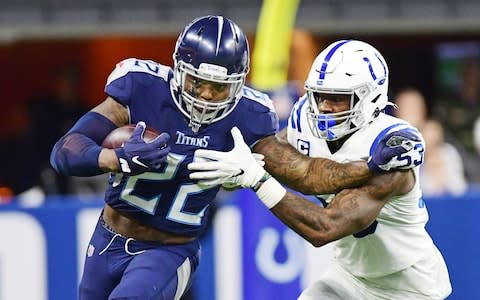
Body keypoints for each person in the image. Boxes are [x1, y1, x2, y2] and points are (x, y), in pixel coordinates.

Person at [50, 17, 417, 299]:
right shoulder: (141, 88)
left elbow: (306, 174)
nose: (207, 96)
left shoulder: (248, 116)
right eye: (197, 83)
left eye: (220, 87)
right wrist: (116, 160)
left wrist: (368, 165)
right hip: (108, 238)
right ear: (179, 71)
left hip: (169, 250)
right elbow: (65, 151)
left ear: (239, 83)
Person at [189, 40, 451, 299]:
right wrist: (239, 162)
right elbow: (291, 164)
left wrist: (258, 179)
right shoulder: (305, 120)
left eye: (338, 99)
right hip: (349, 276)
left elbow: (325, 227)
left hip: (407, 286)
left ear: (370, 98)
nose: (324, 107)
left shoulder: (390, 148)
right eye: (319, 96)